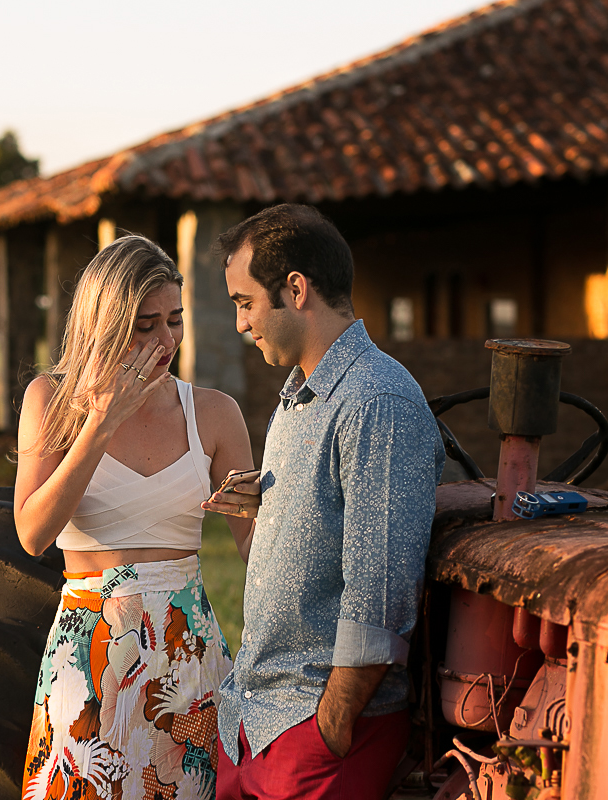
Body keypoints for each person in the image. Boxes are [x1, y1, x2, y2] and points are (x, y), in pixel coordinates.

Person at [202, 204, 444, 800]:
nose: (240, 323)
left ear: (296, 289)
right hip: (257, 724)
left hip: (320, 734)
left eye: (244, 302)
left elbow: (380, 590)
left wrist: (331, 728)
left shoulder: (375, 402)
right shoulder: (298, 397)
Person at [15, 234, 256, 800]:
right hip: (89, 651)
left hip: (187, 653)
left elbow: (257, 551)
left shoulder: (215, 414)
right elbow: (31, 534)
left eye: (175, 320)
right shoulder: (50, 401)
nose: (166, 339)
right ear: (104, 325)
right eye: (146, 326)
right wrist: (98, 424)